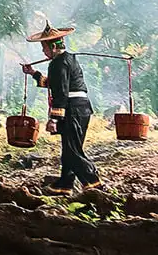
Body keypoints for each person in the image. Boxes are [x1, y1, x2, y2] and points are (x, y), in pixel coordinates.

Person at [21, 20, 100, 193]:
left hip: (73, 109)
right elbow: (54, 84)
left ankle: (94, 183)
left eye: (44, 48)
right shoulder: (69, 59)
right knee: (70, 148)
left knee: (72, 151)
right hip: (82, 108)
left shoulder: (58, 63)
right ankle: (65, 185)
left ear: (54, 47)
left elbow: (61, 92)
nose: (43, 51)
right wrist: (34, 73)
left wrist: (55, 119)